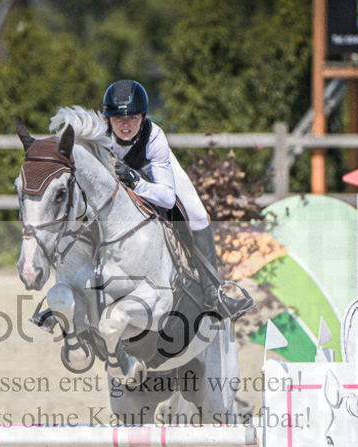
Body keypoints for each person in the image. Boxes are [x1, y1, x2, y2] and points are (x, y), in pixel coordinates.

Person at [102, 79, 253, 320]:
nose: (126, 124)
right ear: (107, 119)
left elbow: (166, 198)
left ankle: (214, 295)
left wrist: (136, 181)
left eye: (133, 118)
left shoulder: (154, 138)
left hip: (154, 175)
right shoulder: (99, 137)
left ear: (142, 117)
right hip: (116, 187)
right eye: (119, 119)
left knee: (197, 214)